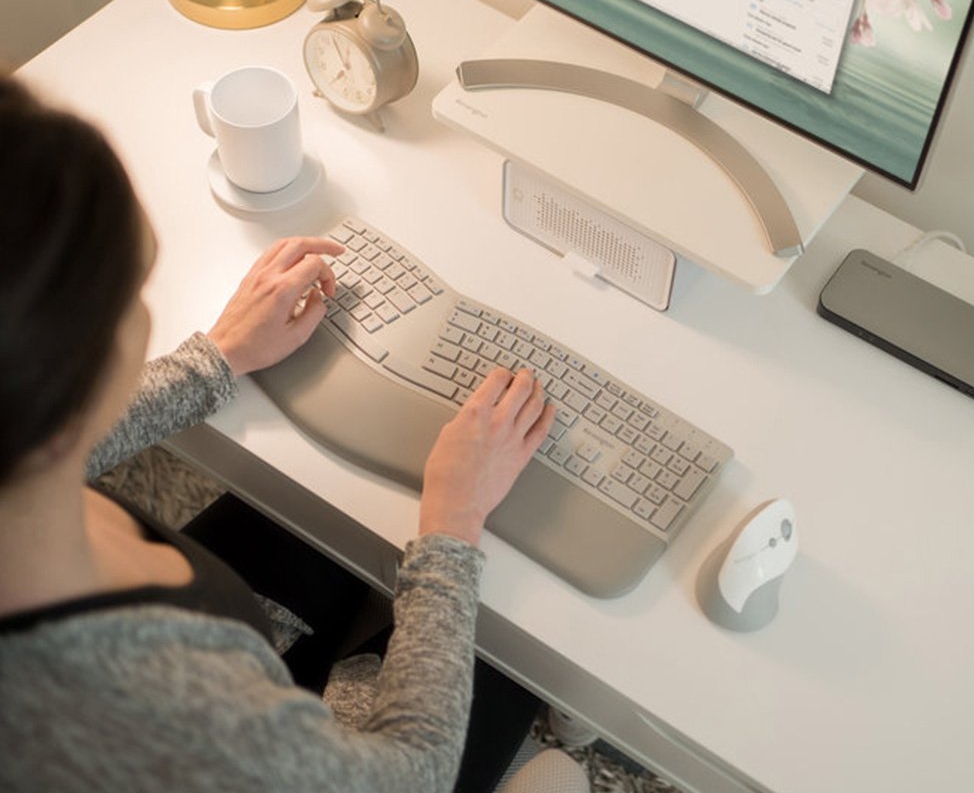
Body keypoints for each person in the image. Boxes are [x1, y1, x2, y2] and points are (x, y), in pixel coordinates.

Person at [0, 74, 586, 792]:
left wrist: (215, 359)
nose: (147, 314)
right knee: (515, 648)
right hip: (320, 762)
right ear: (59, 404)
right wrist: (452, 527)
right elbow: (407, 772)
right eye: (133, 293)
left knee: (311, 534)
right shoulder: (165, 718)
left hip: (230, 661)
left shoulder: (23, 461)